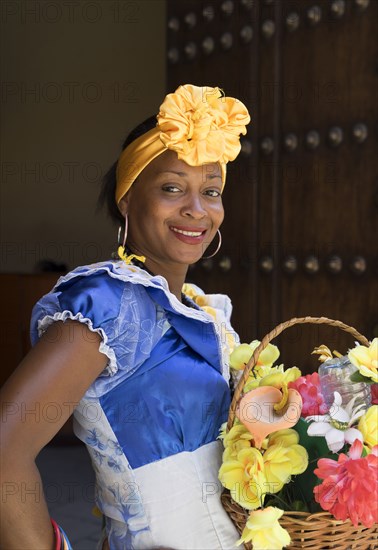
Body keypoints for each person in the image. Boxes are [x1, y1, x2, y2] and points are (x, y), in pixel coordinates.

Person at [0, 84, 250, 549]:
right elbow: (4, 452)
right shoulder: (109, 305)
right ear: (127, 199)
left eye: (210, 191)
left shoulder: (200, 306)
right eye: (172, 187)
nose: (197, 209)